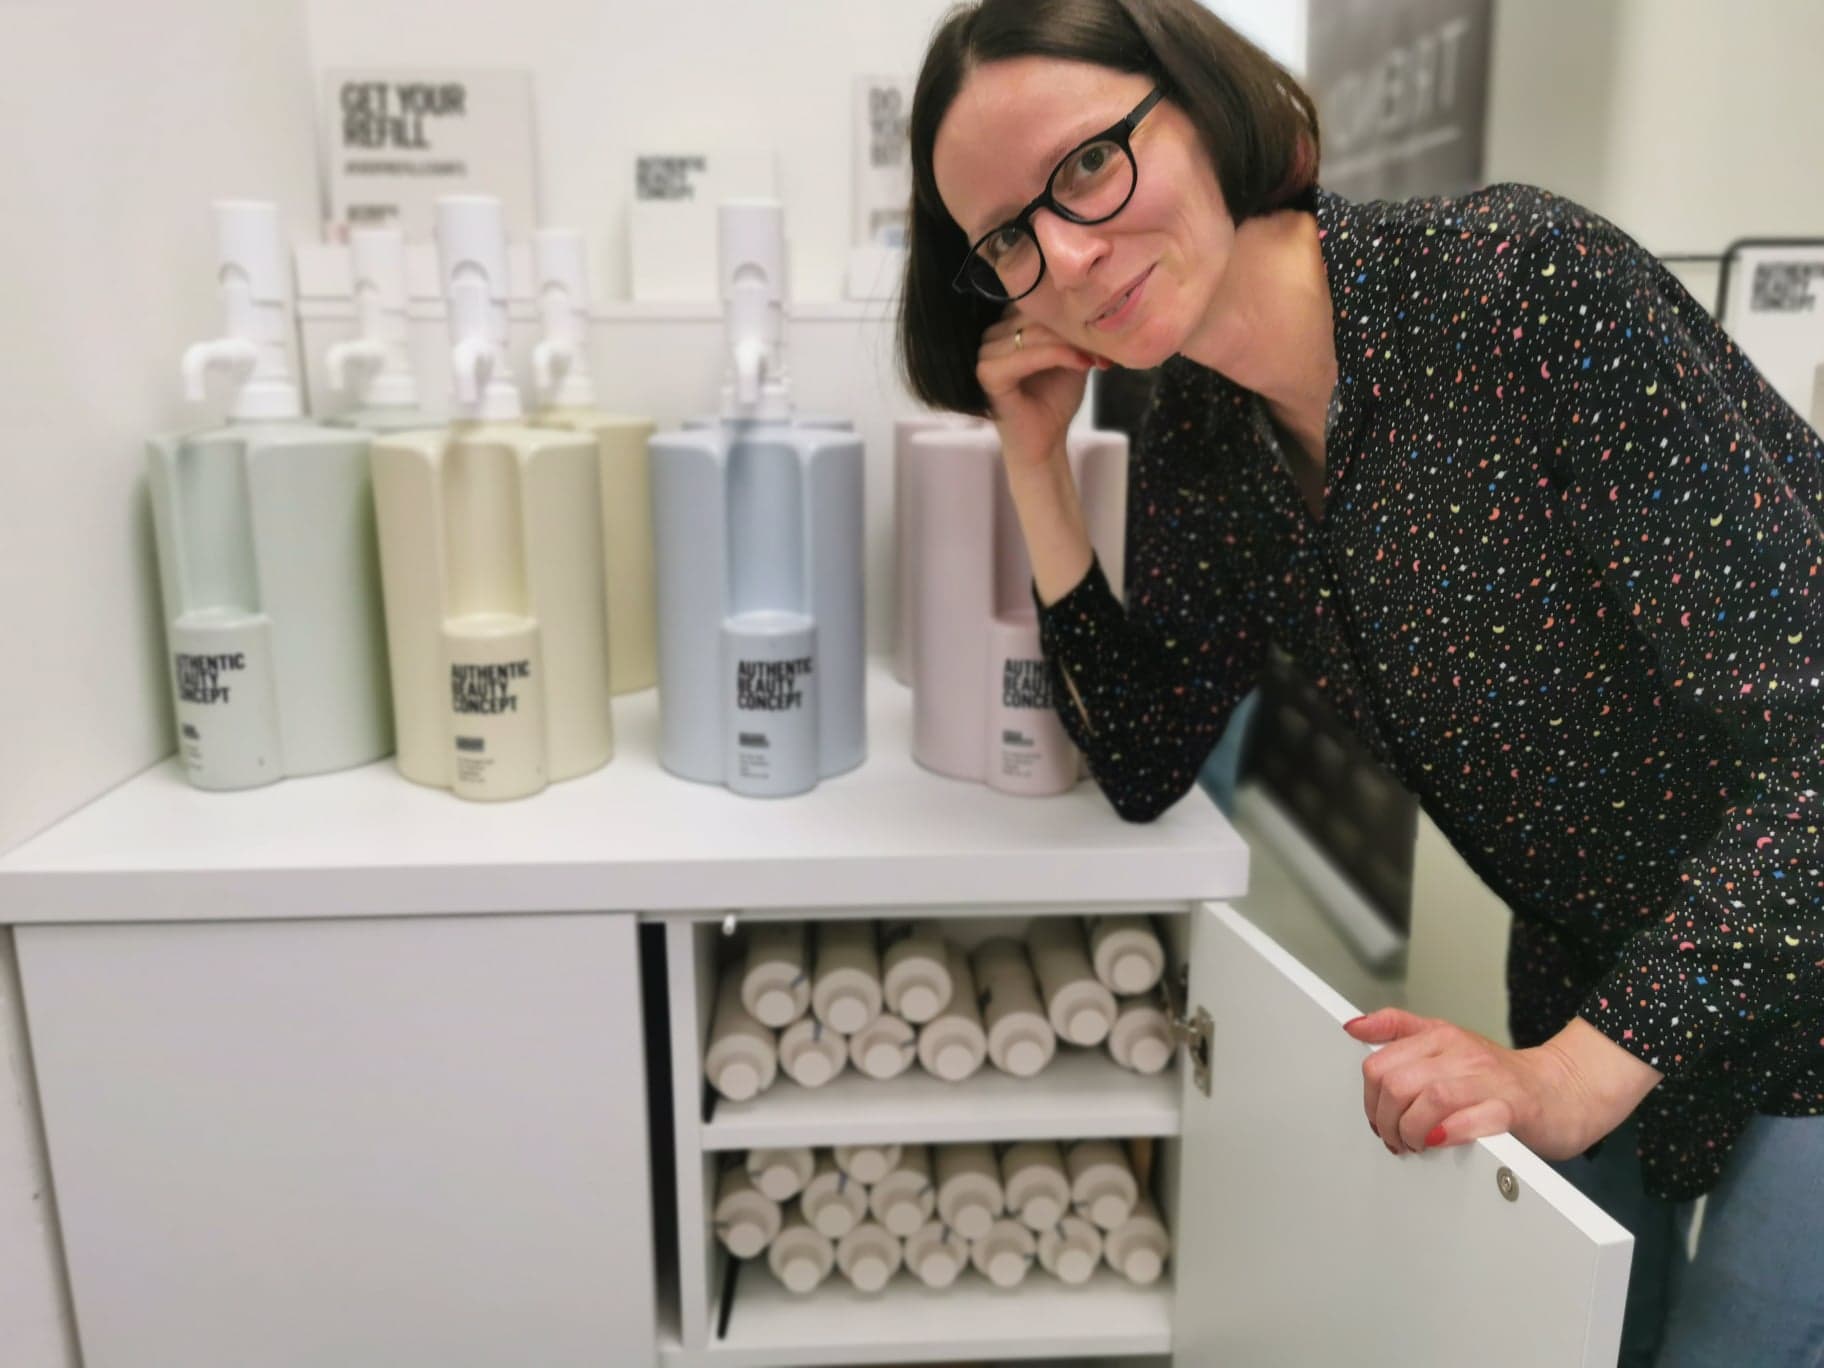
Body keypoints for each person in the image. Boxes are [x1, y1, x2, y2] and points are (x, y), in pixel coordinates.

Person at [897, 1, 1824, 1362]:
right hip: (1589, 959)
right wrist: (1035, 463)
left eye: (1088, 163)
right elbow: (1146, 758)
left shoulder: (1521, 286)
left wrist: (1579, 1069)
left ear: (1204, 105)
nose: (1068, 257)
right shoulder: (1209, 436)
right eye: (1006, 241)